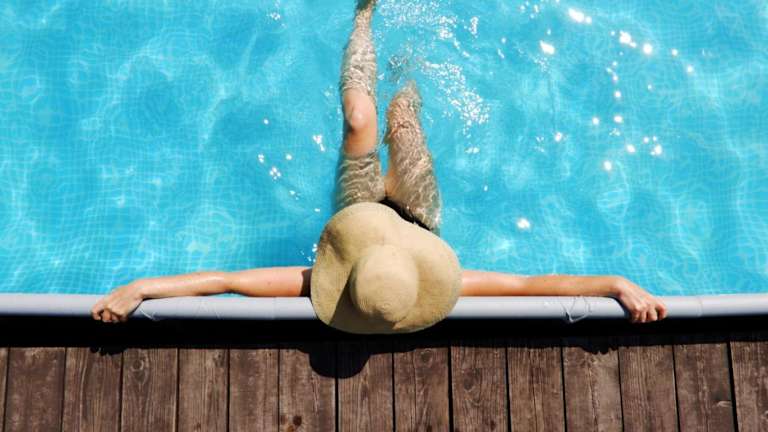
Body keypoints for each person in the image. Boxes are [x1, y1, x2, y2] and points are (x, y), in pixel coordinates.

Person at [91, 0, 667, 329]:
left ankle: (362, 18)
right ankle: (405, 63)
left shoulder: (329, 283)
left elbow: (227, 282)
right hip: (419, 217)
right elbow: (528, 286)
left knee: (358, 119)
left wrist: (140, 288)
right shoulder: (445, 283)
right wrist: (617, 284)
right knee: (402, 115)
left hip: (359, 216)